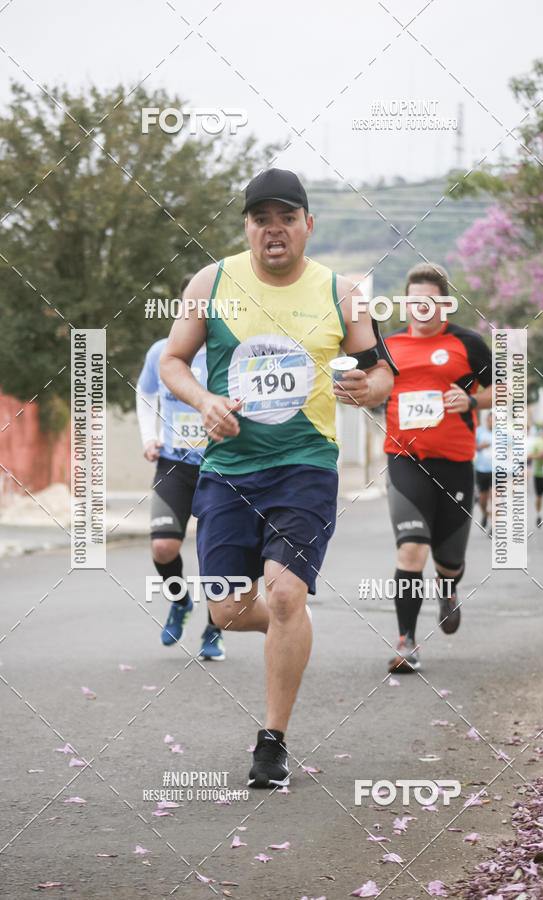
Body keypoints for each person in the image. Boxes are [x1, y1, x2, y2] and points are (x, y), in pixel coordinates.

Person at [160, 168, 394, 788]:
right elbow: (172, 361)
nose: (274, 229)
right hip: (229, 471)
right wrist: (203, 402)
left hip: (306, 468)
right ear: (247, 226)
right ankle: (295, 625)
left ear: (307, 225)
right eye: (261, 218)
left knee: (286, 593)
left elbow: (381, 375)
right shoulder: (209, 282)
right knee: (230, 610)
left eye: (286, 217)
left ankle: (272, 742)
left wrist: (365, 387)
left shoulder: (344, 293)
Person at [382, 263, 493, 673]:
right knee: (411, 549)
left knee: (449, 561)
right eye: (414, 302)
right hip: (404, 459)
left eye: (430, 302)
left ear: (444, 303)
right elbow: (372, 387)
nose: (421, 309)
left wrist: (473, 401)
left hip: (456, 464)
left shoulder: (469, 344)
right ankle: (406, 641)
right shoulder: (387, 346)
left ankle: (447, 588)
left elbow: (507, 388)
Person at [136, 276, 225, 661]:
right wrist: (148, 436)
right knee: (162, 546)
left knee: (217, 557)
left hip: (221, 467)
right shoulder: (162, 351)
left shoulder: (228, 352)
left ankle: (214, 630)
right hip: (174, 463)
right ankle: (181, 601)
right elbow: (146, 393)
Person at [475, 411, 494, 531]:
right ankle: (485, 513)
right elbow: (471, 446)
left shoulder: (502, 434)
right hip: (482, 469)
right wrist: (480, 447)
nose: (492, 422)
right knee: (482, 500)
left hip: (496, 470)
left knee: (494, 497)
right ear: (487, 420)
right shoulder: (479, 432)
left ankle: (493, 524)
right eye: (490, 420)